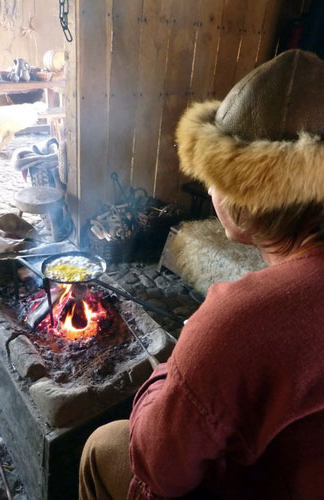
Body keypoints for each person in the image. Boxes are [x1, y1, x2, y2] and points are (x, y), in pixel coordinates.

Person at [79, 49, 324, 499]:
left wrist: (177, 365)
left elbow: (155, 465)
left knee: (103, 446)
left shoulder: (240, 318)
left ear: (247, 197)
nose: (208, 186)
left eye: (216, 174)